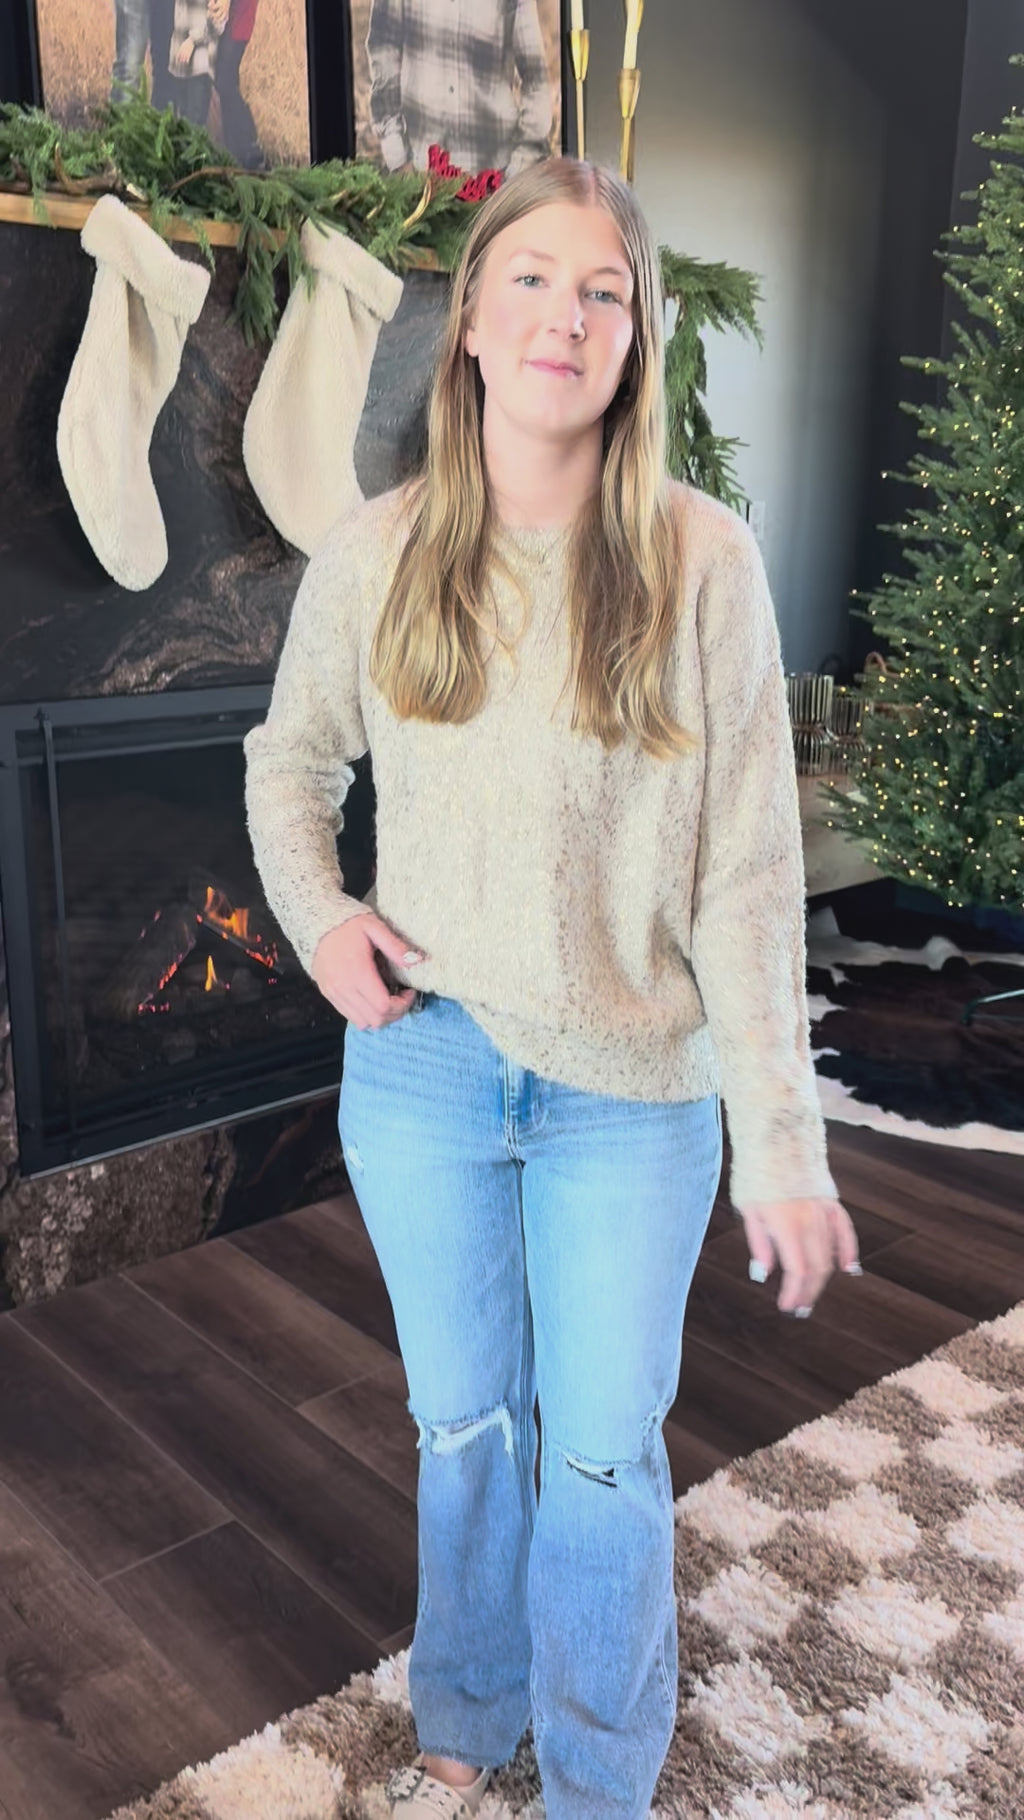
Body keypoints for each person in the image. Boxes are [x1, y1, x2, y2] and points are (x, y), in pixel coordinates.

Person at [243, 158, 861, 1820]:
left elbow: (745, 875)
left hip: (630, 1095)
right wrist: (321, 922)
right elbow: (289, 764)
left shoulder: (701, 562)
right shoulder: (377, 552)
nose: (563, 317)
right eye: (529, 279)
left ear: (637, 337)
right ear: (467, 322)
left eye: (602, 291)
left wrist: (780, 1145)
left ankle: (597, 1773)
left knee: (596, 1450)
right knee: (461, 1426)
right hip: (426, 1071)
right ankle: (469, 1692)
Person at [365, 0, 553, 179]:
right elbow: (383, 51)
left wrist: (519, 168)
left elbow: (536, 80)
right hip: (420, 172)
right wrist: (398, 158)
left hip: (496, 174)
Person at [210, 0, 263, 167]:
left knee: (224, 80)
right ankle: (236, 153)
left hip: (239, 10)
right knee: (226, 79)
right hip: (221, 13)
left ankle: (250, 145)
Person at [167, 0, 223, 126]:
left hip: (200, 66)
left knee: (193, 129)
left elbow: (219, 23)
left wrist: (193, 40)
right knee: (180, 128)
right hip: (179, 66)